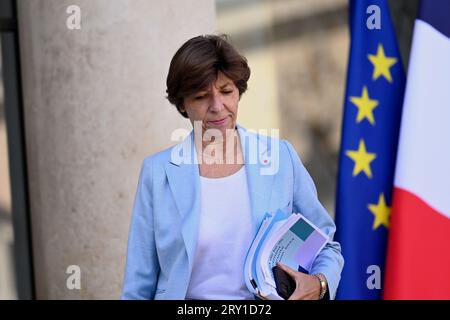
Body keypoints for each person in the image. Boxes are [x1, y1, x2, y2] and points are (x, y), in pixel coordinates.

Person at [121, 34, 344, 300]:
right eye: (202, 97)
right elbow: (138, 285)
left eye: (226, 91)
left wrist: (319, 284)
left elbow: (326, 244)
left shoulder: (279, 157)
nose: (217, 107)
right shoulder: (158, 172)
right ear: (182, 104)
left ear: (238, 91)